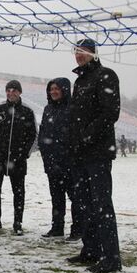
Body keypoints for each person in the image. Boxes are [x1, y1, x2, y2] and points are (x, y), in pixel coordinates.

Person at [66, 39, 122, 273]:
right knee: (84, 204)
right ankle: (91, 249)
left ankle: (111, 257)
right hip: (79, 153)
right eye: (76, 52)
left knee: (101, 204)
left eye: (83, 52)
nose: (79, 56)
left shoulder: (106, 75)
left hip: (97, 152)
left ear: (93, 53)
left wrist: (87, 136)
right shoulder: (79, 81)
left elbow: (111, 112)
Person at [0, 79, 37, 236]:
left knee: (19, 192)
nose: (11, 93)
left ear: (20, 92)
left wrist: (25, 154)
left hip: (18, 160)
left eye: (14, 90)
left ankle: (17, 222)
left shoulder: (27, 111)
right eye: (8, 90)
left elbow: (34, 135)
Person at [37, 78, 83, 241]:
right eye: (51, 89)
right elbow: (42, 133)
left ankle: (77, 229)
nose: (54, 92)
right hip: (51, 162)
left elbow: (76, 134)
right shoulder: (47, 109)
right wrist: (45, 152)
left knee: (75, 198)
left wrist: (69, 154)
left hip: (69, 163)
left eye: (57, 89)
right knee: (56, 197)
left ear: (64, 90)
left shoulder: (73, 108)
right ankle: (57, 228)